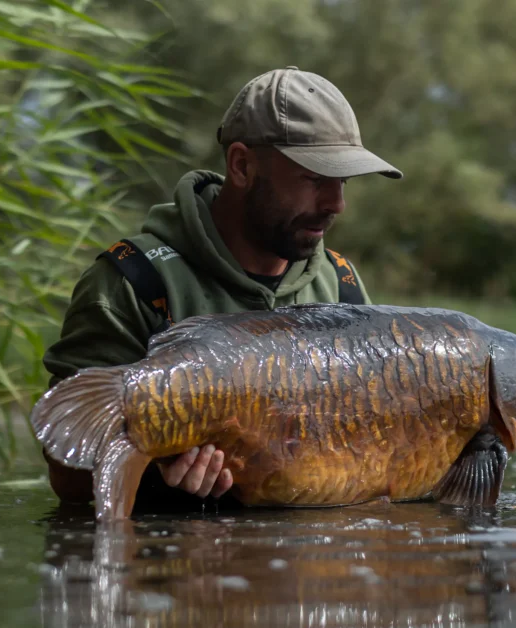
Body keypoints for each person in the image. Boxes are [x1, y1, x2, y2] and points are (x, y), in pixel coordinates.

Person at [40, 66, 403, 512]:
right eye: (314, 179)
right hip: (170, 567)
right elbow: (67, 473)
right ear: (241, 165)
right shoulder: (132, 280)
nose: (336, 204)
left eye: (343, 181)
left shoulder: (343, 286)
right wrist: (159, 478)